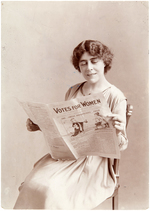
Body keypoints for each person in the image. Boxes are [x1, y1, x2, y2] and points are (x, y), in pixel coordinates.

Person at [14, 40, 128, 209]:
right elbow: (64, 127)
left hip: (94, 164)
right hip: (67, 157)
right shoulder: (73, 90)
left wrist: (119, 130)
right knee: (33, 185)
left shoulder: (116, 96)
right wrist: (39, 124)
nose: (89, 68)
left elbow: (122, 144)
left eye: (94, 62)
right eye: (83, 63)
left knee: (51, 190)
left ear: (105, 62)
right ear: (79, 67)